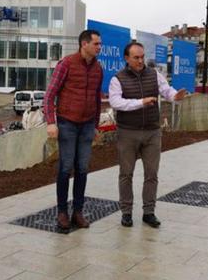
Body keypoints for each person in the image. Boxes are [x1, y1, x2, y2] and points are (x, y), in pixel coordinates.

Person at [109, 41, 186, 228]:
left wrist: (175, 96)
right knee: (126, 174)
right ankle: (126, 212)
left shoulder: (154, 75)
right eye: (136, 57)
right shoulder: (117, 79)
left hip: (152, 132)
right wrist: (141, 102)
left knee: (152, 174)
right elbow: (116, 102)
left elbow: (166, 90)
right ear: (126, 58)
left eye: (142, 56)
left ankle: (149, 212)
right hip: (127, 132)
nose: (140, 60)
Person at [43, 29, 103, 231]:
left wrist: (95, 125)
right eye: (96, 44)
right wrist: (51, 122)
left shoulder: (98, 68)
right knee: (66, 167)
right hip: (67, 123)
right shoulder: (66, 64)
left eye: (100, 44)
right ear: (84, 44)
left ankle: (78, 211)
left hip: (87, 125)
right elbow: (49, 95)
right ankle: (62, 212)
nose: (99, 47)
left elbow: (96, 99)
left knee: (83, 168)